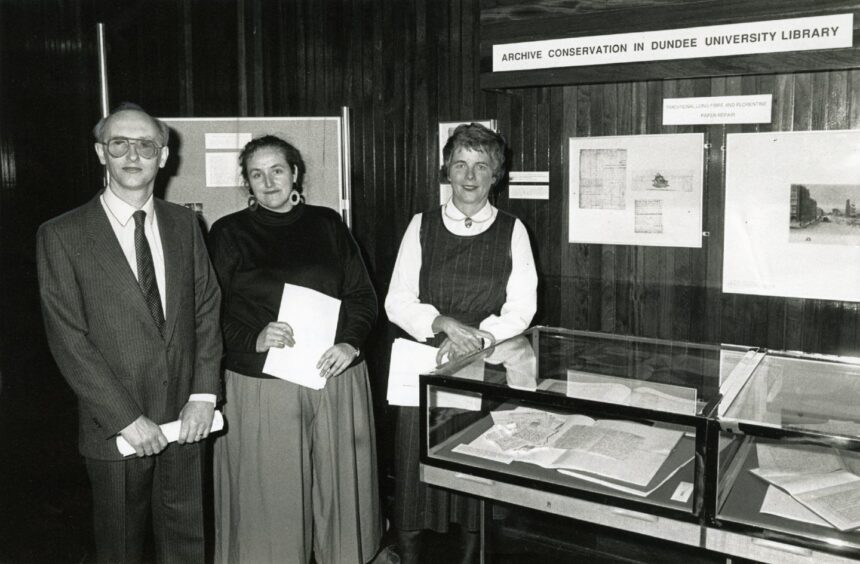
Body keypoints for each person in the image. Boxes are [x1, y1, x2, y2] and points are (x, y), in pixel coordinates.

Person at [36, 102, 222, 564]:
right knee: (119, 547)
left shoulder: (185, 223)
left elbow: (205, 308)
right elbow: (69, 338)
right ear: (101, 153)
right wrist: (124, 417)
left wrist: (203, 394)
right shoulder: (62, 234)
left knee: (187, 543)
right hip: (114, 427)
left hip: (186, 419)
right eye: (119, 143)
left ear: (163, 157)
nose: (132, 155)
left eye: (146, 145)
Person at [209, 135, 384, 563]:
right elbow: (207, 312)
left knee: (341, 490)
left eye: (277, 170)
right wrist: (253, 338)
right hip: (263, 382)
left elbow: (362, 295)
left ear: (295, 174)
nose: (268, 182)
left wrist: (351, 342)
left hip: (334, 375)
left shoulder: (327, 224)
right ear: (246, 183)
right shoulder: (228, 233)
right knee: (272, 497)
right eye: (256, 174)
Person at [385, 123, 538, 563]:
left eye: (481, 166)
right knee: (418, 477)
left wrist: (480, 338)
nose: (470, 177)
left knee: (474, 474)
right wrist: (443, 324)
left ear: (496, 176)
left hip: (486, 369)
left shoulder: (513, 229)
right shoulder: (421, 225)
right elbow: (397, 300)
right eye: (460, 165)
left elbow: (522, 308)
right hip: (427, 363)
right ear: (446, 171)